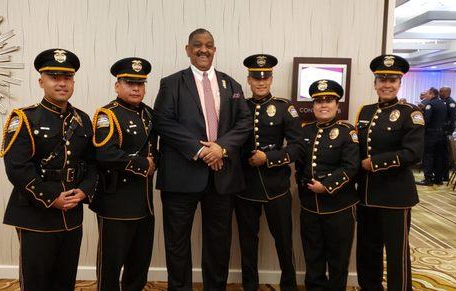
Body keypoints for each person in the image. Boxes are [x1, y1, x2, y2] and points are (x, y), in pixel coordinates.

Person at [153, 28, 252, 290]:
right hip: (181, 176)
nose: (203, 50)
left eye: (209, 45)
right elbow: (163, 121)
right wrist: (202, 152)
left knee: (218, 243)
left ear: (215, 50)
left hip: (222, 177)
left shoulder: (231, 85)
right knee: (177, 243)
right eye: (197, 45)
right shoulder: (171, 83)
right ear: (187, 49)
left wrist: (221, 148)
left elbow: (245, 121)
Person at [0, 48, 97, 290]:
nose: (62, 83)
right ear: (41, 81)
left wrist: (84, 191)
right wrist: (52, 198)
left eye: (67, 78)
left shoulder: (83, 120)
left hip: (72, 214)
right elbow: (17, 168)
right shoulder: (24, 118)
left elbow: (94, 164)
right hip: (36, 214)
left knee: (65, 280)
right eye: (55, 77)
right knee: (36, 282)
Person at [355, 54, 424, 291]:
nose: (386, 85)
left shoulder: (410, 113)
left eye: (392, 80)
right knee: (367, 249)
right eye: (382, 79)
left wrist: (375, 163)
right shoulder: (365, 111)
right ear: (375, 83)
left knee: (396, 253)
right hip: (366, 194)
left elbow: (413, 154)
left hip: (396, 195)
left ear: (399, 83)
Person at [91, 57, 158, 291]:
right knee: (110, 267)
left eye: (140, 83)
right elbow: (105, 155)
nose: (136, 88)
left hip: (145, 204)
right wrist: (143, 164)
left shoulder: (149, 114)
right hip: (115, 203)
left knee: (139, 265)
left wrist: (155, 161)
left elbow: (157, 150)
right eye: (130, 83)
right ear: (117, 86)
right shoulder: (107, 115)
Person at [236, 54, 302, 291]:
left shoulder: (285, 108)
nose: (261, 82)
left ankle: (289, 286)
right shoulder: (239, 106)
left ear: (271, 78)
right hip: (244, 187)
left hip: (277, 187)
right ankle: (249, 286)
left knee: (284, 242)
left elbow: (297, 147)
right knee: (247, 243)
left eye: (265, 78)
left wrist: (269, 158)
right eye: (256, 78)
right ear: (249, 80)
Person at [296, 79, 360, 291]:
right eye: (319, 101)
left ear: (337, 105)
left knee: (338, 260)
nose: (324, 105)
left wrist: (327, 186)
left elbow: (351, 167)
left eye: (329, 101)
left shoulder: (347, 131)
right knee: (312, 257)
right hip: (310, 207)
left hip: (339, 207)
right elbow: (301, 166)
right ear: (313, 106)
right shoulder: (305, 131)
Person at [417, 87, 447, 186]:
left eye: (427, 93)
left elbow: (427, 120)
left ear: (431, 94)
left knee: (428, 155)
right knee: (439, 156)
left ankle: (428, 179)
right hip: (441, 134)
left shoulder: (430, 104)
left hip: (431, 134)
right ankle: (438, 178)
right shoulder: (443, 104)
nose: (426, 95)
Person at [439, 86, 456, 181]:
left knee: (444, 154)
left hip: (446, 132)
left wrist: (448, 131)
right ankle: (441, 174)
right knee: (441, 154)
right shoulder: (443, 101)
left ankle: (445, 175)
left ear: (447, 92)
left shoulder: (451, 102)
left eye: (441, 91)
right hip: (442, 131)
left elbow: (453, 118)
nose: (440, 93)